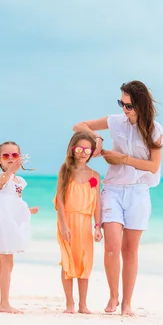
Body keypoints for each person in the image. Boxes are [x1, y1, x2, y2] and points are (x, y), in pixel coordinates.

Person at [73, 80, 163, 316]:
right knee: (112, 247)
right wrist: (98, 138)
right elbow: (79, 125)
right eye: (121, 104)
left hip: (138, 192)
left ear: (141, 105)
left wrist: (122, 159)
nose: (124, 110)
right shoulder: (115, 122)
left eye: (128, 105)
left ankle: (127, 303)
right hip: (113, 190)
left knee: (130, 250)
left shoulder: (156, 131)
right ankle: (113, 296)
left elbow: (153, 166)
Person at [54, 132, 102, 314]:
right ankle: (69, 304)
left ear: (91, 152)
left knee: (84, 261)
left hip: (85, 223)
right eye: (79, 149)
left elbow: (97, 202)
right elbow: (60, 199)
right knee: (68, 262)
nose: (83, 153)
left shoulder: (94, 176)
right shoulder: (65, 170)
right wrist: (64, 225)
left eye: (87, 150)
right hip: (67, 221)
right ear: (73, 149)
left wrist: (98, 226)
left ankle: (83, 304)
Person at [0, 141, 39, 314]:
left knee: (1, 264)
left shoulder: (19, 180)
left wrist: (27, 210)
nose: (11, 159)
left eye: (14, 155)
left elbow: (13, 202)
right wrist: (10, 170)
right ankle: (4, 303)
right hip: (4, 225)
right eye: (6, 156)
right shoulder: (1, 177)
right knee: (7, 264)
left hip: (10, 224)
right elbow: (4, 183)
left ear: (20, 158)